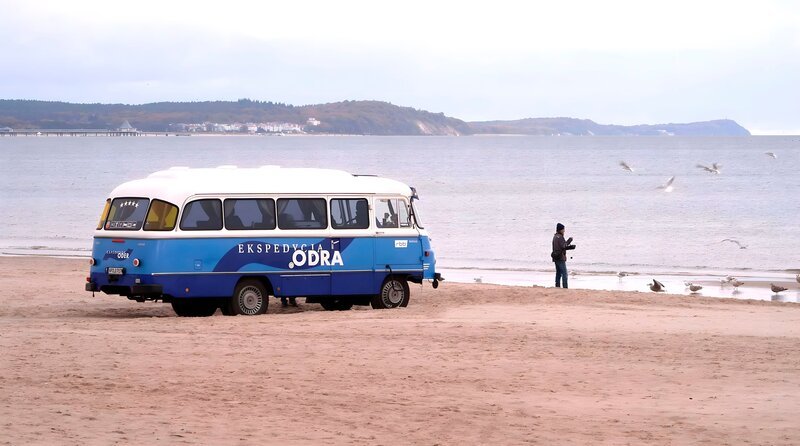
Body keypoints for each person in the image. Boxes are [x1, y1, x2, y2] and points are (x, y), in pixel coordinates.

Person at [551, 223, 575, 288]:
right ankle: (565, 287)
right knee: (564, 274)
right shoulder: (560, 237)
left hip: (555, 257)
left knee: (558, 273)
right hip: (560, 257)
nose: (564, 231)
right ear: (560, 230)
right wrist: (569, 240)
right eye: (563, 229)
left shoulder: (555, 236)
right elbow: (564, 245)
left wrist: (570, 247)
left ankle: (557, 286)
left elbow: (561, 247)